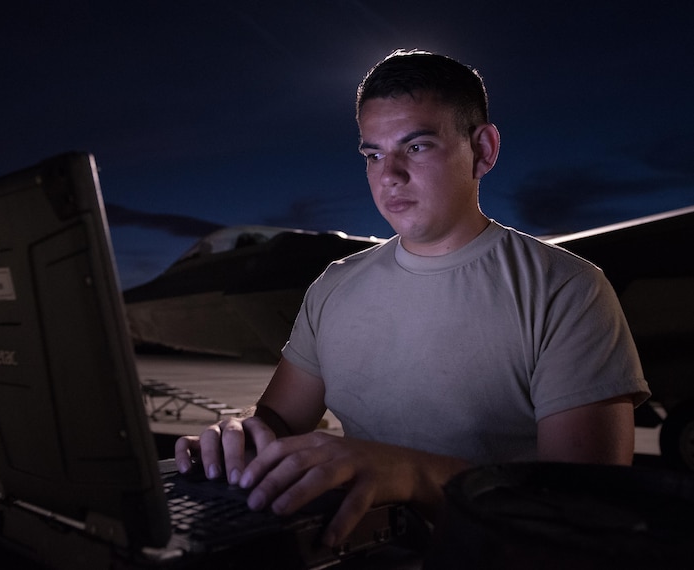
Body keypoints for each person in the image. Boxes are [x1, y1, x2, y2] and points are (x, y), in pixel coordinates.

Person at [174, 49, 650, 549]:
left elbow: (585, 511)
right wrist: (236, 438)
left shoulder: (565, 289)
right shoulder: (334, 286)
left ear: (483, 150)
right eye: (373, 154)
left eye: (417, 147)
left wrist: (412, 475)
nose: (389, 175)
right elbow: (276, 421)